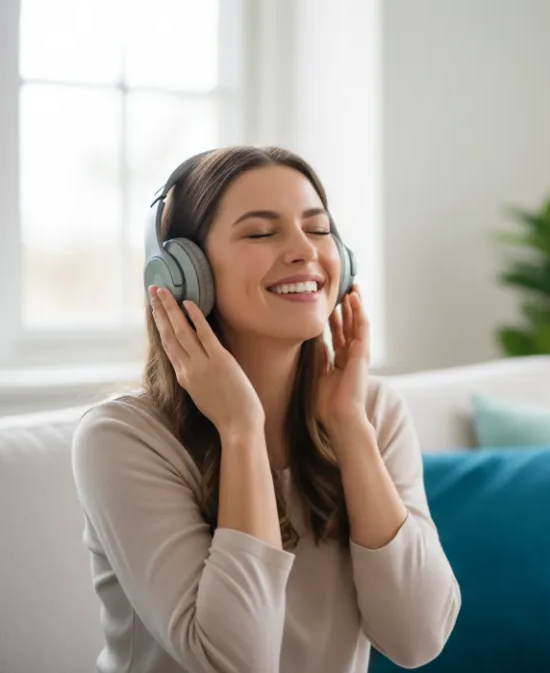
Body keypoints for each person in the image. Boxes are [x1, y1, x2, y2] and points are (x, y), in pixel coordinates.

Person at [70, 145, 461, 673]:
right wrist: (240, 431)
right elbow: (235, 663)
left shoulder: (372, 411)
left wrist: (350, 428)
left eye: (319, 230)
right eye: (261, 232)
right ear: (183, 272)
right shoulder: (122, 438)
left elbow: (418, 639)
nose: (304, 250)